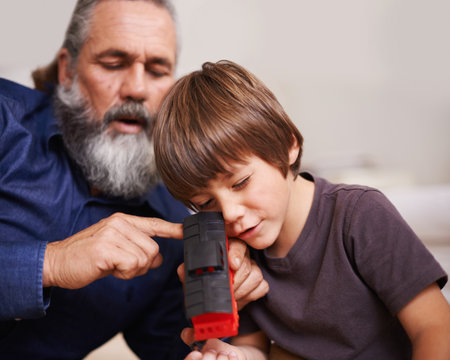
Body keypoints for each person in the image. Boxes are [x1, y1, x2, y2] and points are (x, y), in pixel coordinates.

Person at [0, 1, 268, 358]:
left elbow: (181, 348)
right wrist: (53, 263)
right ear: (67, 69)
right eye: (114, 63)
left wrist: (234, 289)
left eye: (157, 71)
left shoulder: (174, 226)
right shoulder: (5, 121)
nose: (137, 88)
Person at [153, 60, 450, 360]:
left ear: (287, 145)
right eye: (205, 204)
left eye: (240, 182)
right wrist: (234, 355)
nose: (229, 214)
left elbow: (436, 327)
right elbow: (256, 348)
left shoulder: (360, 215)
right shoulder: (242, 255)